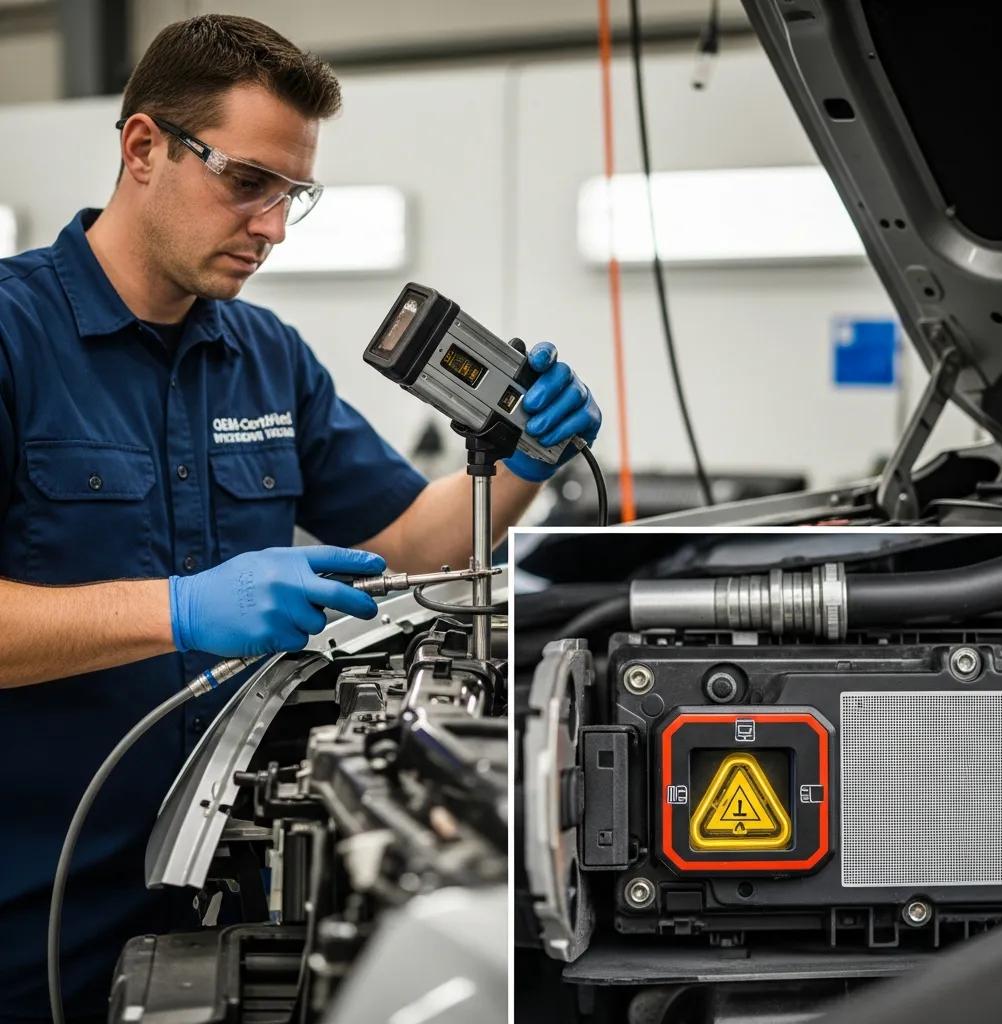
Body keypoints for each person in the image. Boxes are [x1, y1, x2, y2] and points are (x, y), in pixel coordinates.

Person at [0, 14, 601, 1020]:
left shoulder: (265, 355)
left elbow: (412, 542)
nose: (272, 227)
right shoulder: (13, 337)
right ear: (143, 147)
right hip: (30, 912)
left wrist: (525, 461)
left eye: (293, 195)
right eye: (247, 182)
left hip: (224, 903)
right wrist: (178, 609)